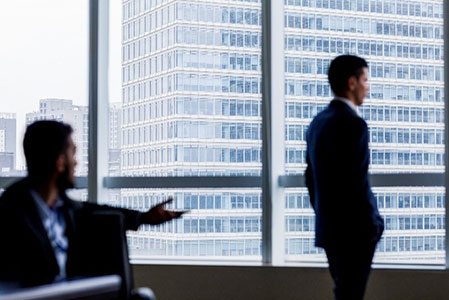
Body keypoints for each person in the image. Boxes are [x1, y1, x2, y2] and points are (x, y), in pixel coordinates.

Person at [0, 120, 184, 287]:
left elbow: (95, 211)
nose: (76, 162)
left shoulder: (63, 207)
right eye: (73, 153)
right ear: (60, 162)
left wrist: (143, 217)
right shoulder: (9, 213)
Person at [305, 55, 384, 300]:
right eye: (365, 80)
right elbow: (356, 183)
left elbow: (311, 179)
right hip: (356, 232)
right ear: (352, 82)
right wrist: (375, 224)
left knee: (344, 293)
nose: (367, 88)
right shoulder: (353, 124)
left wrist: (325, 216)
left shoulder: (317, 123)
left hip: (330, 229)